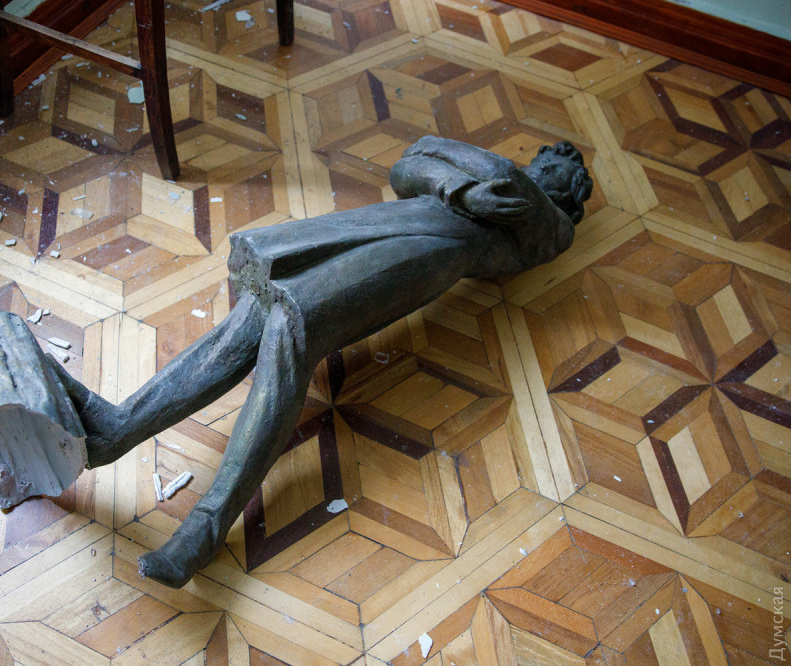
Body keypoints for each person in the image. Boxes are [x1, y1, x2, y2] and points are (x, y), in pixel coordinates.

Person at [47, 135, 593, 588]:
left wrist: (450, 167)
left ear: (567, 199)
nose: (541, 170)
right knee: (253, 314)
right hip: (373, 228)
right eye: (543, 161)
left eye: (557, 174)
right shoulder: (486, 187)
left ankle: (204, 529)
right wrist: (460, 187)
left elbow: (488, 172)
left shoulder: (551, 227)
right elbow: (407, 166)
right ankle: (118, 428)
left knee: (293, 331)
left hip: (424, 253)